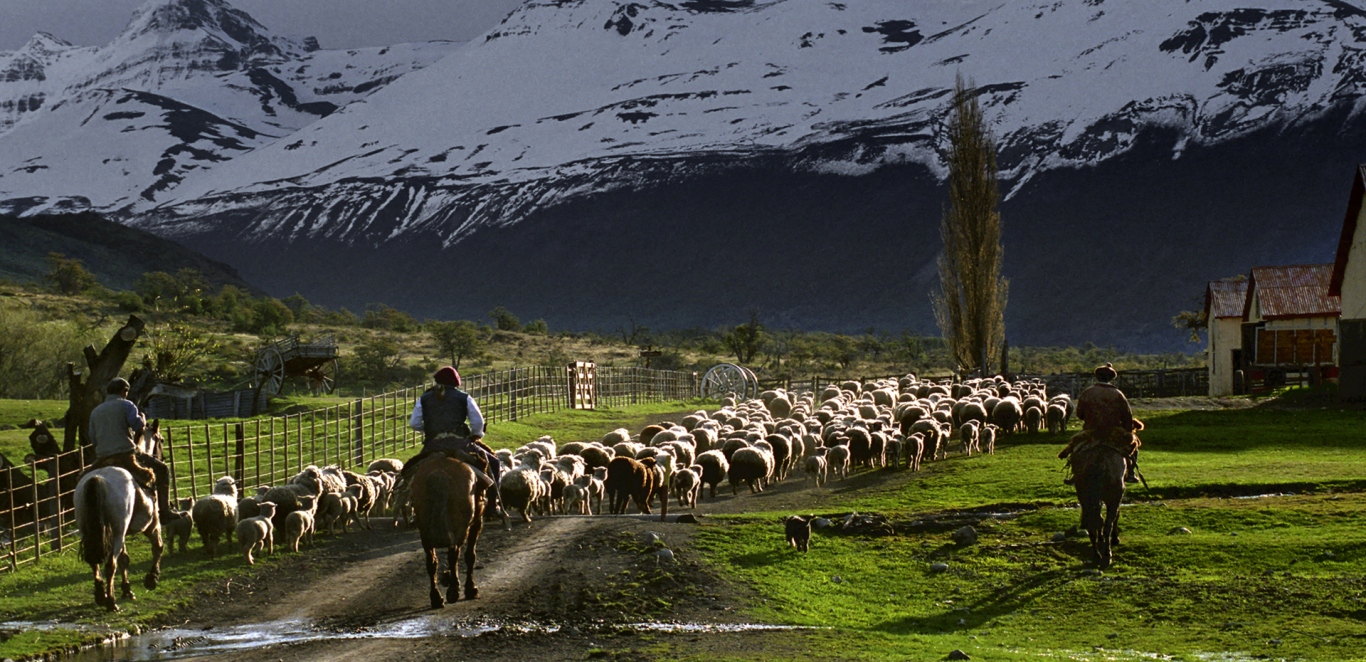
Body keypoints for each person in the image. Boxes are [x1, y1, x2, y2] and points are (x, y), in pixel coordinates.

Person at [402, 367, 504, 515]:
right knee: (494, 463)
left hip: (433, 445)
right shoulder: (464, 397)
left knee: (410, 470)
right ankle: (492, 506)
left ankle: (412, 507)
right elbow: (477, 423)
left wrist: (431, 429)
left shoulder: (424, 398)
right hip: (460, 444)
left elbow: (414, 423)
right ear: (457, 382)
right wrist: (475, 434)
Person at [88, 377, 179, 521]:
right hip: (126, 452)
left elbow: (93, 439)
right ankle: (165, 511)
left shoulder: (96, 411)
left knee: (83, 477)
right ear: (124, 391)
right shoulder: (126, 405)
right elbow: (138, 427)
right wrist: (142, 418)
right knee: (162, 469)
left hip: (102, 456)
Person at [1063, 363, 1141, 483]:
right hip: (1114, 432)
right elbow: (1127, 416)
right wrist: (1127, 432)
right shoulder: (1118, 394)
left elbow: (1080, 414)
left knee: (1075, 447)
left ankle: (1075, 474)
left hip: (1091, 431)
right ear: (1111, 378)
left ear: (1097, 377)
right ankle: (1131, 473)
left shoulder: (1088, 392)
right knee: (1133, 446)